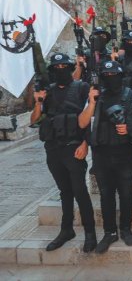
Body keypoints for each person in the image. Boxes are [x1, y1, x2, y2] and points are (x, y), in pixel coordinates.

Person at [31, 53, 96, 253]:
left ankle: (90, 233)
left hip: (74, 147)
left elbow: (89, 119)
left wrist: (86, 144)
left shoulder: (82, 88)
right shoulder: (47, 92)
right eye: (56, 68)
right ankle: (66, 230)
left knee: (80, 191)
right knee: (64, 192)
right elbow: (34, 120)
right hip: (53, 149)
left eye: (64, 67)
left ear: (70, 68)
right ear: (52, 71)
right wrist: (38, 102)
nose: (61, 70)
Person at [78, 60, 132, 253]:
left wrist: (128, 129)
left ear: (121, 77)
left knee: (126, 194)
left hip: (124, 154)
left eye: (114, 75)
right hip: (102, 155)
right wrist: (91, 101)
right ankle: (109, 232)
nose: (110, 79)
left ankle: (125, 229)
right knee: (106, 195)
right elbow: (83, 124)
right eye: (107, 76)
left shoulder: (131, 95)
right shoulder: (96, 98)